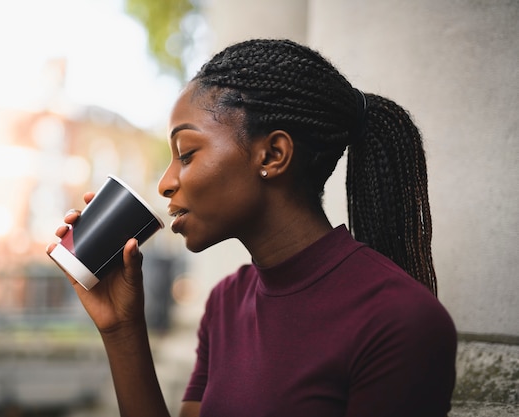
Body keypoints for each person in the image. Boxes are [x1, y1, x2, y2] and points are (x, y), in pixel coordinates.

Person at [47, 39, 457, 417]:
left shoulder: (401, 321)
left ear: (273, 154)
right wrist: (122, 329)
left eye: (186, 154)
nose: (166, 182)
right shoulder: (226, 302)